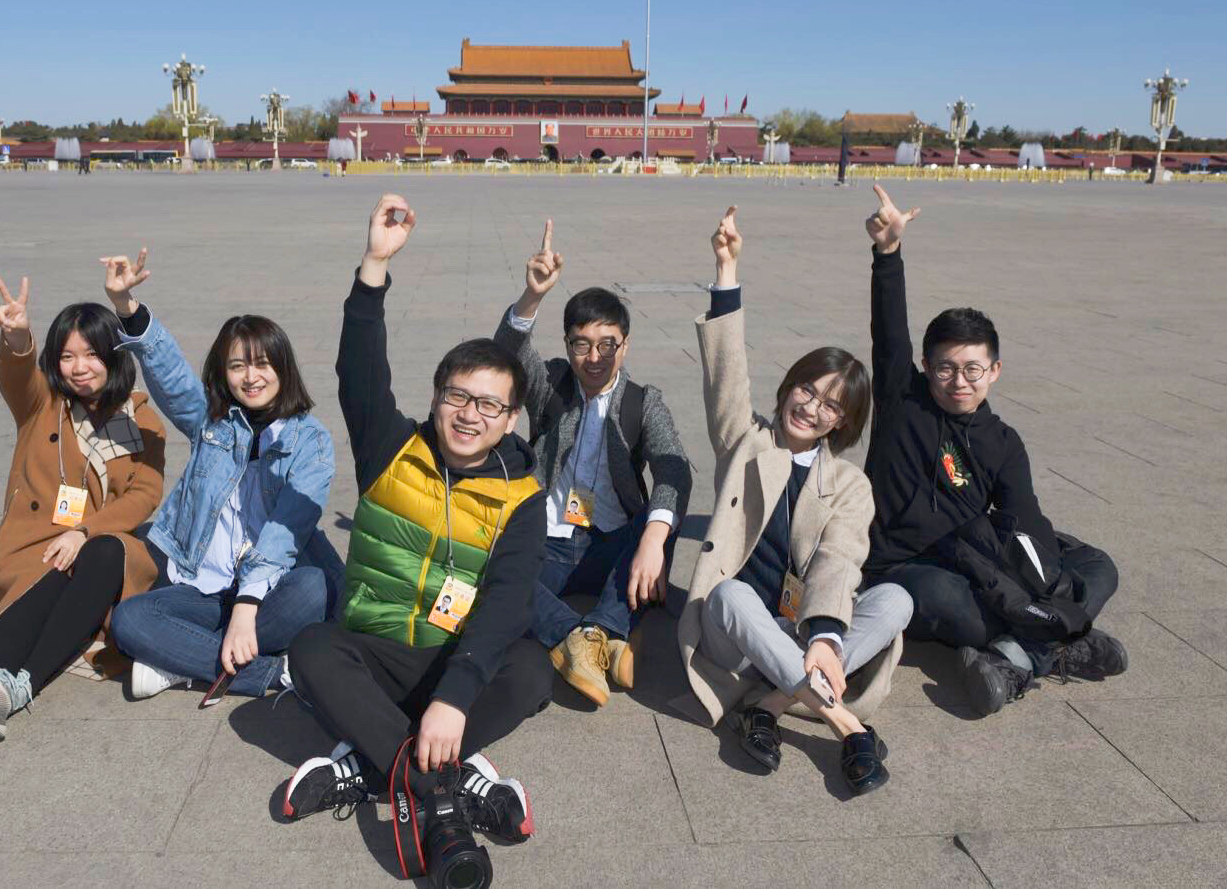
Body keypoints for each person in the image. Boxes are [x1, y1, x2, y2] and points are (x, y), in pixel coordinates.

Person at [282, 194, 549, 880]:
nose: (469, 414)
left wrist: (454, 697)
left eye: (489, 404)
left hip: (449, 659)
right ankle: (447, 787)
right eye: (457, 395)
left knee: (530, 668)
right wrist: (374, 264)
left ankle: (372, 763)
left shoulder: (523, 496)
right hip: (375, 653)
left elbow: (508, 603)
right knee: (311, 648)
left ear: (511, 417)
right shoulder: (390, 447)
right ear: (435, 396)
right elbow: (359, 371)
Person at [861, 184, 1126, 717]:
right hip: (904, 563)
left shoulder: (1003, 442)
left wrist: (1047, 578)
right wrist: (888, 253)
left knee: (1099, 566)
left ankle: (1017, 656)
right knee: (951, 604)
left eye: (972, 369)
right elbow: (888, 331)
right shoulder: (903, 400)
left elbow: (1024, 518)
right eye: (945, 368)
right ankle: (1054, 643)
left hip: (975, 554)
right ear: (926, 366)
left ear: (995, 371)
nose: (959, 381)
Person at [675, 207, 908, 795]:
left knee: (895, 600)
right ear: (789, 386)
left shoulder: (849, 483)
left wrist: (824, 636)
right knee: (728, 595)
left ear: (843, 422)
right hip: (736, 635)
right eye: (807, 388)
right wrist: (727, 271)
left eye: (831, 405)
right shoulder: (746, 442)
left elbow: (839, 560)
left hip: (804, 636)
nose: (811, 407)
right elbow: (725, 377)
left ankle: (771, 706)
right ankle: (845, 725)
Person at [0, 277, 166, 740]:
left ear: (114, 356)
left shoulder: (142, 419)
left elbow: (145, 494)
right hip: (35, 545)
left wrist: (84, 531)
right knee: (42, 576)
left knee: (104, 552)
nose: (79, 368)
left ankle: (20, 684)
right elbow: (17, 376)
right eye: (67, 356)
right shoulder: (43, 404)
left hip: (100, 545)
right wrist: (17, 338)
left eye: (92, 354)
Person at [99, 248, 341, 701]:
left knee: (314, 589)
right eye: (237, 366)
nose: (251, 377)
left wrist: (247, 607)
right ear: (223, 373)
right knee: (130, 620)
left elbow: (285, 532)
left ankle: (184, 662)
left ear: (283, 368)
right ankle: (271, 673)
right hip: (203, 588)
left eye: (262, 363)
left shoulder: (310, 440)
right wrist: (127, 307)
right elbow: (173, 379)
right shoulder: (213, 422)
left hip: (268, 592)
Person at [492, 219, 692, 707]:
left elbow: (674, 469)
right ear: (568, 345)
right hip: (547, 539)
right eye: (582, 344)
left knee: (659, 524)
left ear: (625, 344)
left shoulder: (642, 402)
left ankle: (598, 631)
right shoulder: (552, 384)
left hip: (609, 542)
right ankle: (597, 636)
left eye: (608, 344)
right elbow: (504, 358)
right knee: (494, 571)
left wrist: (652, 542)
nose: (595, 357)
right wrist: (532, 296)